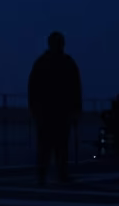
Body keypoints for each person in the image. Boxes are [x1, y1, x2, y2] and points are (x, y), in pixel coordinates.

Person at [27, 32, 82, 185]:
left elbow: (33, 88)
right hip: (57, 112)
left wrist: (34, 109)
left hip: (49, 112)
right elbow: (76, 89)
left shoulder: (42, 63)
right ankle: (57, 173)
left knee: (49, 146)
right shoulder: (67, 63)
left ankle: (44, 174)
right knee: (58, 146)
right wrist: (76, 110)